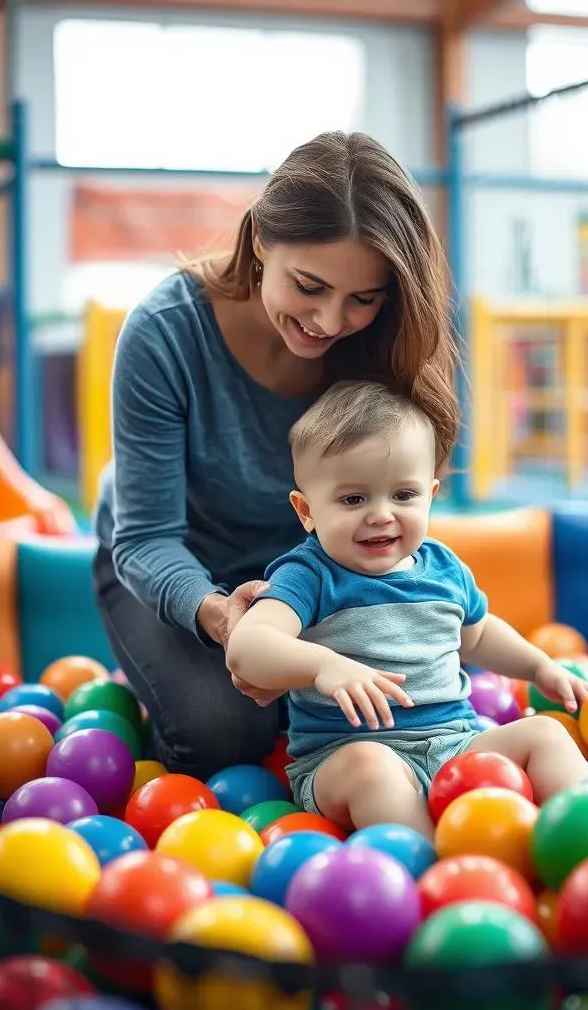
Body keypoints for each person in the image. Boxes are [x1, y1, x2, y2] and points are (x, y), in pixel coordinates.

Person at [91, 130, 461, 782]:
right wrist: (221, 616)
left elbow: (395, 506)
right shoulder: (165, 333)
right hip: (176, 567)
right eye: (309, 286)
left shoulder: (381, 344)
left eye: (362, 298)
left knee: (397, 707)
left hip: (317, 572)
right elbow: (145, 538)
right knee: (224, 730)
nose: (328, 320)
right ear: (261, 239)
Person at [226, 380, 588, 840]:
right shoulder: (309, 574)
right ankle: (429, 864)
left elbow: (476, 636)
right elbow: (247, 646)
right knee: (372, 767)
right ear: (307, 511)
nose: (381, 514)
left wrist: (538, 666)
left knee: (546, 734)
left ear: (431, 493)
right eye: (353, 499)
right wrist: (324, 666)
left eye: (403, 495)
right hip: (346, 755)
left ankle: (580, 838)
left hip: (455, 745)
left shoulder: (443, 568)